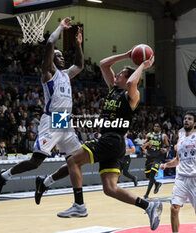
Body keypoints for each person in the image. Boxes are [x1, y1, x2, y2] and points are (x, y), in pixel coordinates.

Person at [57, 49, 162, 231]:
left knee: (73, 159)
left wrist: (142, 66)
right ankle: (148, 206)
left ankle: (79, 205)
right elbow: (104, 64)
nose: (117, 74)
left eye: (121, 73)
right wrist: (127, 54)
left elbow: (131, 82)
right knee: (110, 188)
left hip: (112, 139)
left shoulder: (131, 95)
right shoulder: (113, 90)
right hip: (112, 143)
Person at [0, 17, 84, 198]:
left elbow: (80, 65)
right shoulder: (48, 74)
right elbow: (50, 42)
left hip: (64, 120)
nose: (62, 58)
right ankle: (3, 176)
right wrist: (60, 27)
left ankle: (45, 182)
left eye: (63, 56)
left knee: (76, 161)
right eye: (58, 56)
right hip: (51, 119)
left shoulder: (66, 75)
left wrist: (78, 44)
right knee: (36, 162)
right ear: (51, 60)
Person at [141, 122, 169, 199]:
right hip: (149, 157)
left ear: (160, 128)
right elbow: (143, 145)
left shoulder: (163, 136)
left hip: (157, 158)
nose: (156, 127)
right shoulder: (149, 135)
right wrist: (144, 147)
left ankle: (146, 195)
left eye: (158, 126)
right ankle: (157, 184)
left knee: (152, 175)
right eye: (155, 126)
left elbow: (168, 146)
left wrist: (165, 150)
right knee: (148, 176)